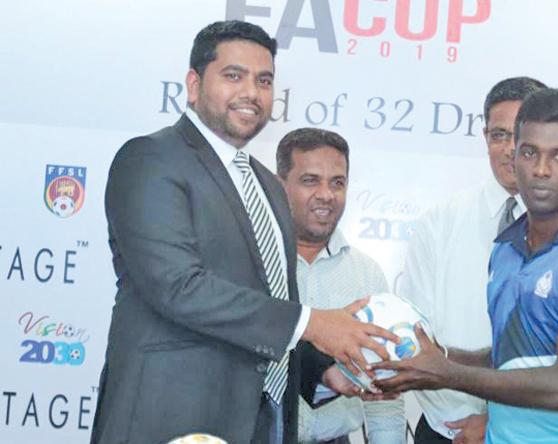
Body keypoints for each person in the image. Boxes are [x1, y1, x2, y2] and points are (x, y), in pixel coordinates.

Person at [91, 21, 396, 444]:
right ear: (194, 85)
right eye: (234, 75)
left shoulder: (268, 185)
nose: (251, 92)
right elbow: (179, 287)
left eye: (264, 80)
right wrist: (313, 323)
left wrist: (322, 371)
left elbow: (266, 304)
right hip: (170, 420)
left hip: (260, 425)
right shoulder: (151, 160)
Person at [375, 88, 558, 444]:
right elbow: (511, 355)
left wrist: (446, 374)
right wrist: (444, 357)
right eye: (530, 153)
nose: (541, 170)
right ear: (514, 157)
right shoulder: (507, 246)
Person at [398, 77, 546, 443]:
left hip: (536, 433)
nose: (510, 149)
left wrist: (500, 423)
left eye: (520, 135)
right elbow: (419, 340)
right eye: (498, 135)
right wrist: (460, 421)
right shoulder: (439, 222)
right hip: (446, 431)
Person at [276, 128, 406, 443]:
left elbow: (384, 390)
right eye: (310, 180)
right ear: (280, 186)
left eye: (338, 182)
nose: (326, 194)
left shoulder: (366, 274)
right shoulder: (251, 263)